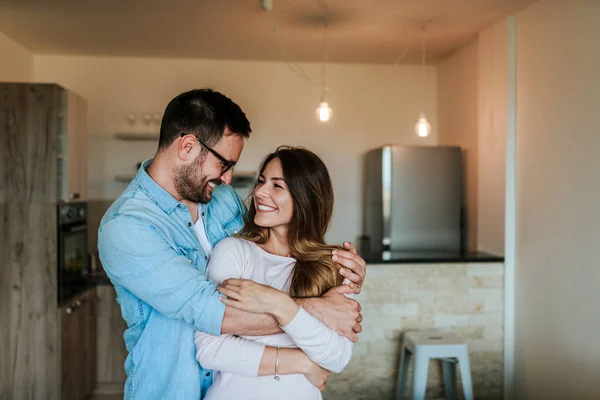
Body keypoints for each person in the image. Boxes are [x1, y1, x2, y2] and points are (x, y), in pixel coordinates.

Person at [97, 89, 367, 400]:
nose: (228, 179)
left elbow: (268, 255)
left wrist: (340, 270)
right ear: (187, 146)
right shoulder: (128, 227)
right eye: (224, 164)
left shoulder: (219, 198)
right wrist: (318, 310)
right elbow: (215, 313)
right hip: (172, 390)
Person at [194, 147, 354, 400]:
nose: (259, 192)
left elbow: (338, 357)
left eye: (277, 186)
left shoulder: (331, 265)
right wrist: (305, 362)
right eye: (261, 182)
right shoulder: (234, 251)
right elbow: (210, 349)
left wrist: (279, 304)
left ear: (306, 198)